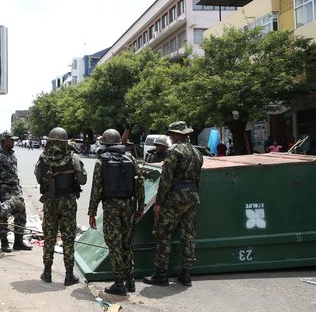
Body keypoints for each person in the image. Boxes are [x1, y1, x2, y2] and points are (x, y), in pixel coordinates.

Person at [143, 121, 203, 287]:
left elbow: (166, 179)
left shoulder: (174, 152)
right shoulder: (197, 152)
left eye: (171, 134)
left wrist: (159, 203)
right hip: (191, 198)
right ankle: (186, 274)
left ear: (177, 135)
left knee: (163, 235)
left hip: (174, 199)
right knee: (188, 236)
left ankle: (161, 274)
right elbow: (198, 179)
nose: (169, 137)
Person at [88, 129, 145, 296]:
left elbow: (96, 189)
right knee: (127, 244)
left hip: (111, 208)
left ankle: (119, 284)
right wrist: (140, 206)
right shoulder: (131, 159)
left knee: (115, 246)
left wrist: (92, 212)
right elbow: (139, 184)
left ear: (105, 143)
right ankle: (130, 280)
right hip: (129, 207)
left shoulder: (101, 162)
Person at [35, 127, 88, 286]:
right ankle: (69, 275)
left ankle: (47, 272)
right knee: (68, 237)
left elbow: (39, 179)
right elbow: (83, 180)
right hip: (68, 202)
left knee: (49, 236)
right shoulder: (73, 158)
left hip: (50, 201)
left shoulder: (42, 158)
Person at [0, 132, 32, 253]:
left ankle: (18, 242)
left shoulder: (12, 154)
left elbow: (14, 172)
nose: (14, 142)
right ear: (5, 141)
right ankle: (4, 243)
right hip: (3, 190)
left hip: (15, 190)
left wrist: (19, 185)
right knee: (2, 217)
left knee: (21, 214)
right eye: (12, 140)